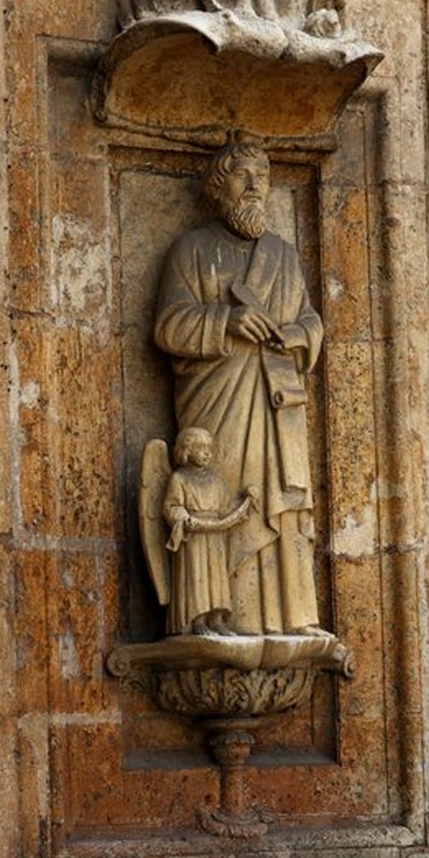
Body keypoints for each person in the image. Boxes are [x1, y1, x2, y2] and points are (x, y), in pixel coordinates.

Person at [154, 139, 326, 635]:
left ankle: (293, 618)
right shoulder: (192, 249)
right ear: (217, 187)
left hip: (277, 405)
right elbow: (167, 327)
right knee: (223, 501)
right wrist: (226, 322)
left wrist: (292, 334)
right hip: (220, 404)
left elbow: (311, 322)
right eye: (241, 175)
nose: (254, 186)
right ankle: (220, 614)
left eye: (262, 176)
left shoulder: (283, 256)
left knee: (281, 502)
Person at [163, 427, 257, 636]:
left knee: (216, 577)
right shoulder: (179, 479)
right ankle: (198, 620)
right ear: (186, 450)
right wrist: (183, 518)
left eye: (209, 448)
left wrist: (246, 500)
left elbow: (226, 508)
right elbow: (172, 506)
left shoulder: (215, 480)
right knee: (197, 575)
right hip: (194, 536)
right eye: (200, 448)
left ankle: (216, 619)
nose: (207, 453)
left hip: (215, 536)